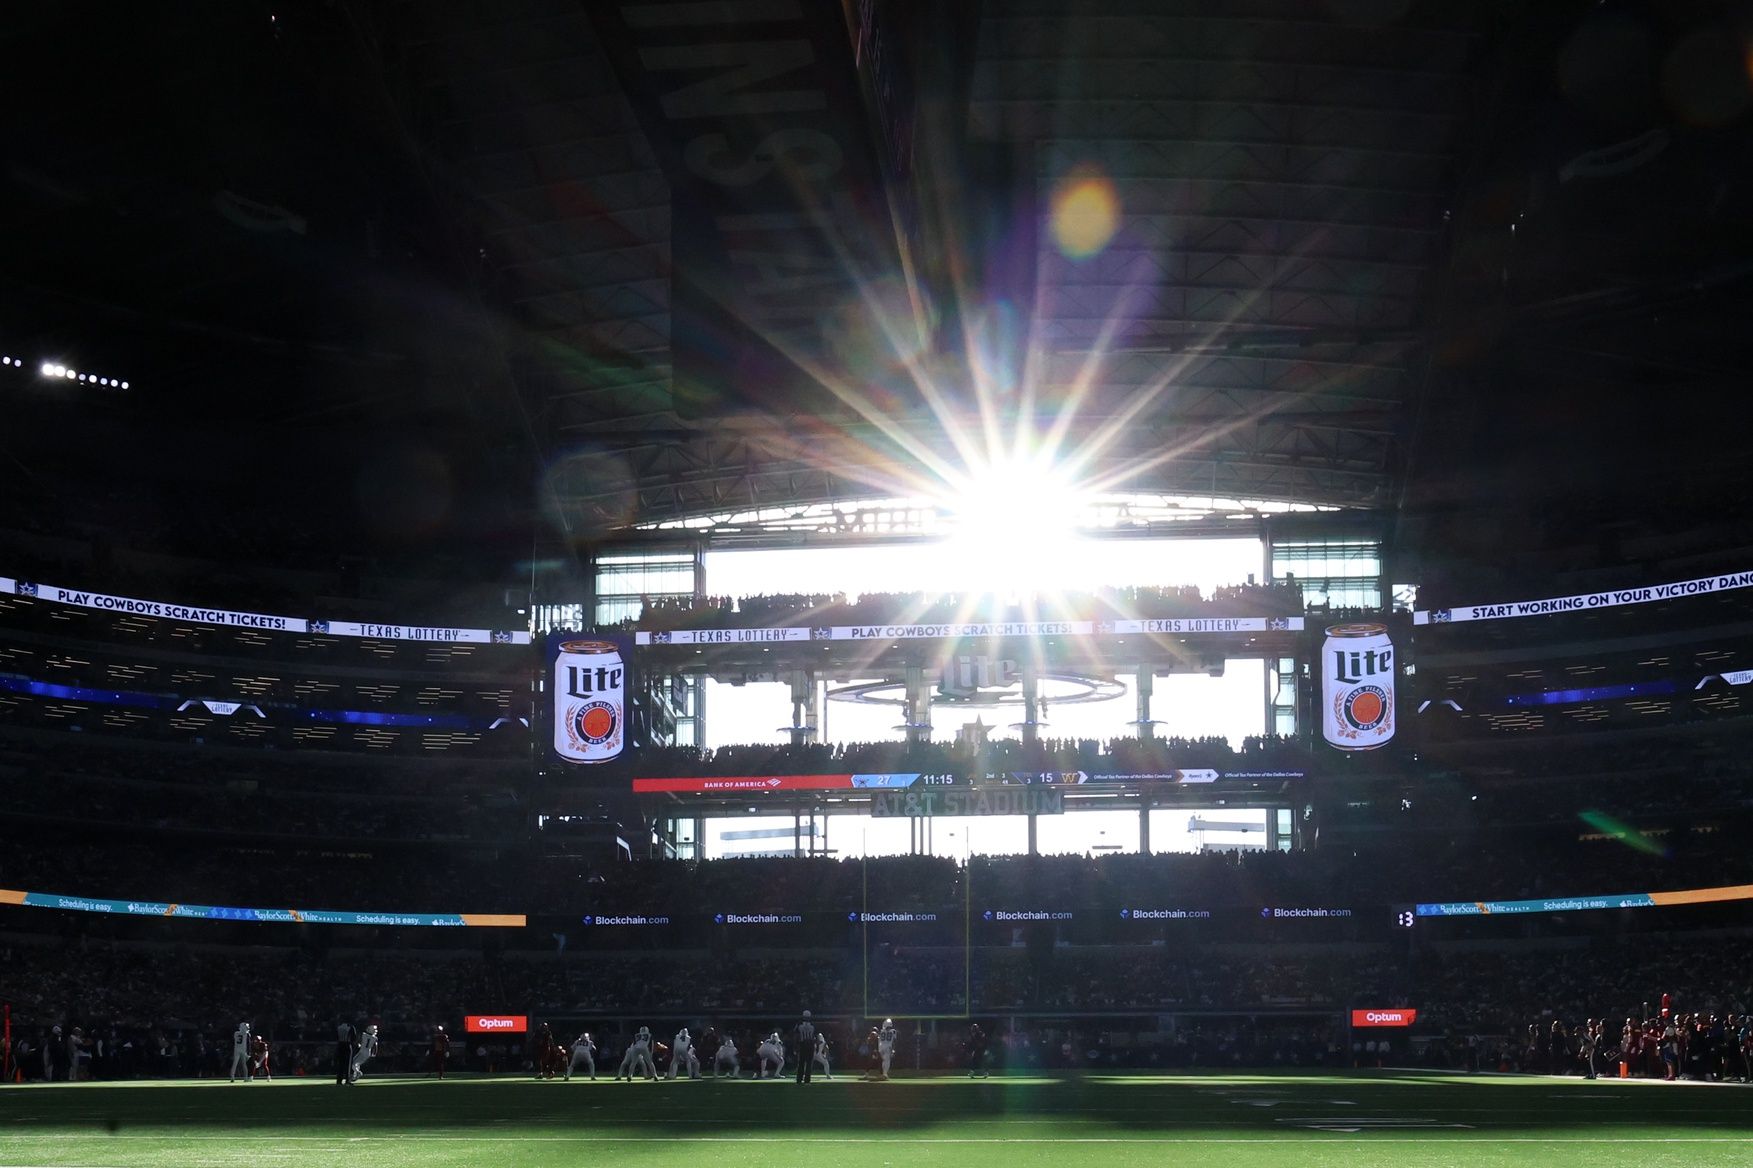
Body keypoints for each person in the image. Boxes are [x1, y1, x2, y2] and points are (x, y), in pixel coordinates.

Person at [794, 1011, 816, 1084]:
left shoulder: (799, 1024)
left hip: (802, 1044)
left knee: (801, 1063)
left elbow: (796, 1035)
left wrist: (796, 1046)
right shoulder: (813, 1024)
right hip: (810, 1044)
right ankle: (807, 1080)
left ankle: (799, 1079)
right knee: (809, 1063)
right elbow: (816, 1036)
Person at [335, 1018, 356, 1087]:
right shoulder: (350, 1027)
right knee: (348, 1064)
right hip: (347, 1044)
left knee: (340, 1064)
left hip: (340, 1045)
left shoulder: (339, 1027)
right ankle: (347, 1080)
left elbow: (335, 1036)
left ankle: (339, 1080)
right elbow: (354, 1037)